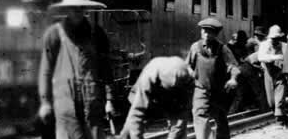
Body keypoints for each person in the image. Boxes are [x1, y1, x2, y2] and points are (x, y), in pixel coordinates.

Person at [37, 0, 113, 138]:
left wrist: (109, 100)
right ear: (67, 9)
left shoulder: (97, 33)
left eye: (81, 8)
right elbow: (46, 70)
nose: (77, 11)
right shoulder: (54, 34)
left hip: (92, 101)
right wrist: (45, 102)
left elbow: (106, 68)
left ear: (85, 9)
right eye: (73, 8)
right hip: (65, 102)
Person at [186, 17, 240, 139]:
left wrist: (233, 79)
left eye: (209, 31)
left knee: (220, 117)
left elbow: (234, 66)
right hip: (201, 88)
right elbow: (188, 65)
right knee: (200, 115)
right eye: (203, 31)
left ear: (215, 34)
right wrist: (190, 73)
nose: (205, 34)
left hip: (218, 90)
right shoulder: (195, 47)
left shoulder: (222, 49)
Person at [120, 57, 193, 139]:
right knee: (132, 126)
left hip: (173, 96)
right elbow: (137, 114)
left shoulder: (187, 78)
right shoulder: (148, 77)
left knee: (179, 127)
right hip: (147, 94)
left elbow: (180, 119)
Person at [257, 25, 288, 129]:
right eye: (273, 38)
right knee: (271, 101)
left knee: (279, 99)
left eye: (277, 38)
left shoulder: (284, 46)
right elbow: (261, 57)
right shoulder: (264, 45)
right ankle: (282, 116)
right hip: (268, 73)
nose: (275, 41)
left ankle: (280, 121)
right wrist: (275, 57)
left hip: (280, 74)